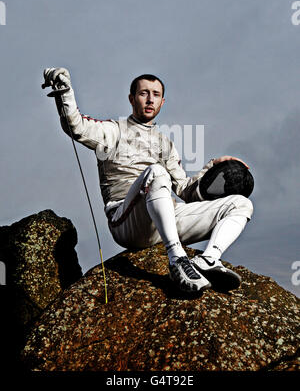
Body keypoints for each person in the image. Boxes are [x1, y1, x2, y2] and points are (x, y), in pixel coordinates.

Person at [43, 67, 253, 293]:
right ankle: (177, 260)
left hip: (163, 222)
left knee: (241, 204)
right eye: (144, 93)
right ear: (132, 99)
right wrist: (65, 91)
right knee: (156, 172)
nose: (150, 99)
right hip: (126, 221)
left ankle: (208, 260)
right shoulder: (114, 131)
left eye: (156, 94)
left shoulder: (166, 144)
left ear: (163, 102)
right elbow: (77, 126)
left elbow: (186, 191)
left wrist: (214, 167)